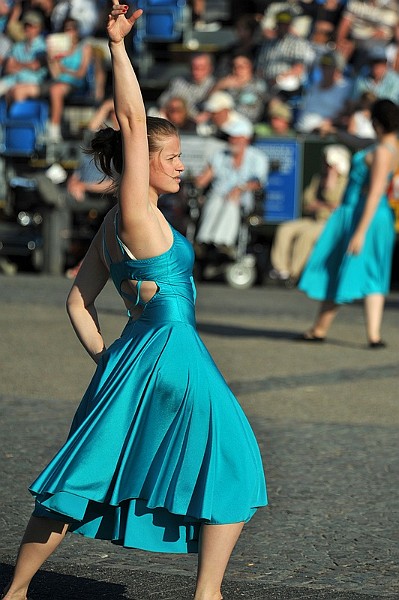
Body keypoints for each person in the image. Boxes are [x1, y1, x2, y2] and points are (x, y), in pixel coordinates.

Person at [1, 5, 267, 600]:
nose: (178, 165)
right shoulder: (138, 213)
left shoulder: (109, 228)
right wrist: (119, 45)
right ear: (139, 160)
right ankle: (208, 594)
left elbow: (77, 302)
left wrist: (108, 362)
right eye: (169, 157)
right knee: (234, 459)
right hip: (174, 352)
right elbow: (129, 116)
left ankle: (16, 591)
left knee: (84, 475)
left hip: (135, 357)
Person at [298, 98, 399, 348]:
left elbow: (375, 191)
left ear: (376, 123)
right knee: (374, 273)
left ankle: (319, 328)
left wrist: (360, 232)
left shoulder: (381, 152)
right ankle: (373, 335)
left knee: (343, 269)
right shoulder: (390, 148)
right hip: (377, 216)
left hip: (363, 216)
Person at [269, 144, 351, 284]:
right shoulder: (318, 179)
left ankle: (295, 273)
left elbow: (337, 204)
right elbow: (307, 203)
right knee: (286, 228)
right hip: (314, 219)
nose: (327, 166)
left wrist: (330, 184)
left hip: (331, 223)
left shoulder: (346, 182)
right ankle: (282, 270)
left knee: (307, 235)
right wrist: (325, 205)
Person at [195, 118, 269, 252]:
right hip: (219, 195)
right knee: (215, 200)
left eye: (236, 138)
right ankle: (204, 240)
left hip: (242, 199)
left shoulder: (259, 158)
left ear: (245, 139)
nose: (232, 141)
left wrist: (241, 188)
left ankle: (223, 242)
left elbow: (258, 182)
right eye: (231, 138)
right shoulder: (220, 155)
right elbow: (205, 177)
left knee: (232, 201)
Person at [46, 17, 93, 142]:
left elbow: (81, 73)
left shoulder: (84, 47)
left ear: (77, 31)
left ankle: (54, 129)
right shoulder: (59, 49)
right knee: (53, 89)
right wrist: (51, 60)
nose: (69, 32)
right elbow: (56, 74)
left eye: (72, 29)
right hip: (60, 82)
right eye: (67, 29)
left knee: (55, 90)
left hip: (76, 83)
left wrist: (64, 69)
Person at [0, 9, 47, 101]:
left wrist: (17, 64)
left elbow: (35, 66)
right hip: (12, 80)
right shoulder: (18, 46)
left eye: (31, 26)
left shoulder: (43, 46)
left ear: (39, 28)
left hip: (33, 81)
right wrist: (27, 65)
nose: (27, 29)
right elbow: (8, 68)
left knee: (16, 92)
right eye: (26, 25)